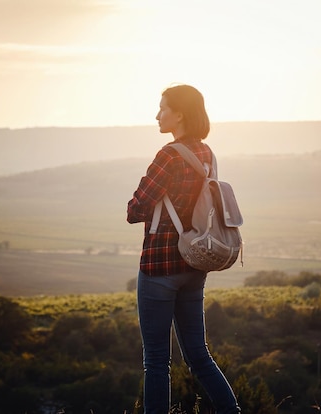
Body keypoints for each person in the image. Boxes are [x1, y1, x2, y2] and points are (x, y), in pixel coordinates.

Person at [127, 84, 241, 414]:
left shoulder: (169, 155)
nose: (157, 115)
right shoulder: (207, 154)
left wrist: (139, 206)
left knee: (156, 362)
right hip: (194, 263)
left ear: (179, 114)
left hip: (160, 265)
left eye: (162, 108)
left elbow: (136, 209)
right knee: (198, 354)